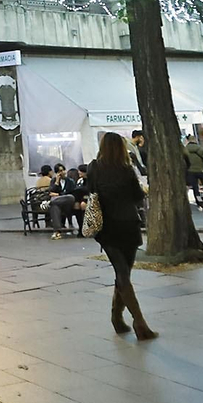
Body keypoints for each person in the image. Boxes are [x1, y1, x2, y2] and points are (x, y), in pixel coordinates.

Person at [87, 132, 156, 339]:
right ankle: (139, 322)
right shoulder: (126, 170)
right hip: (128, 226)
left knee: (121, 273)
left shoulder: (94, 168)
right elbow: (137, 196)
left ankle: (117, 317)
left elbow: (90, 191)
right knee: (124, 272)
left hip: (107, 228)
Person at [183, 136, 203, 202]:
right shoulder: (199, 149)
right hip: (201, 170)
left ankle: (199, 202)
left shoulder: (185, 150)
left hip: (191, 171)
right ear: (195, 140)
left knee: (195, 189)